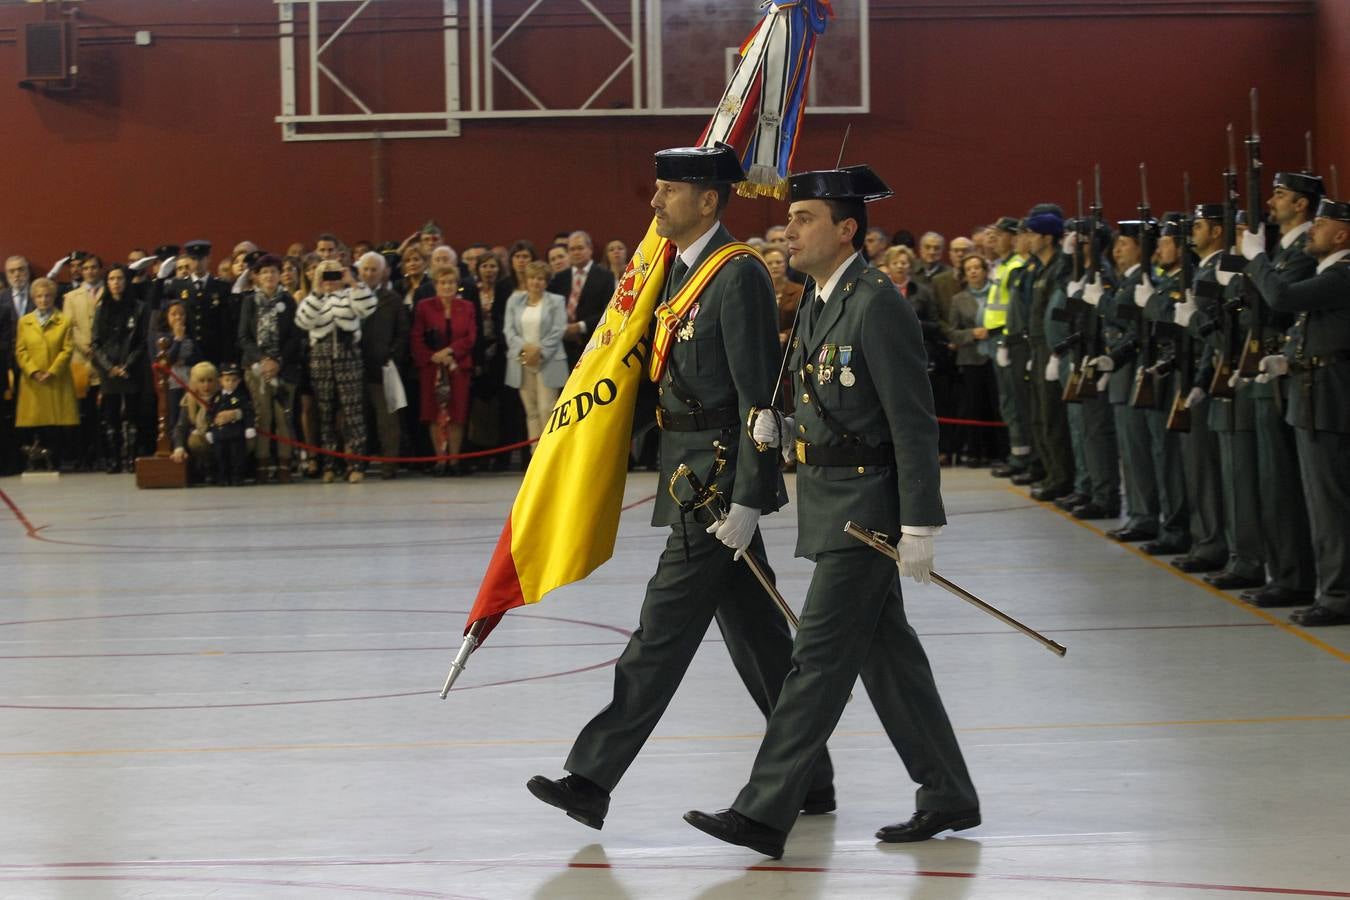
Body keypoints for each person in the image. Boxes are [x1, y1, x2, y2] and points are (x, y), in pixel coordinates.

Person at [527, 144, 833, 835]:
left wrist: (752, 498)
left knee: (659, 634)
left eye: (669, 192)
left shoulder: (738, 276)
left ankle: (591, 778)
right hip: (687, 473)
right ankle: (811, 776)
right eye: (658, 189)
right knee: (761, 644)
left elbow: (761, 399)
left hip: (720, 486)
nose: (656, 202)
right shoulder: (674, 274)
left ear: (708, 201)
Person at [687, 165, 976, 859]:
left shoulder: (877, 303)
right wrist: (785, 429)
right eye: (793, 217)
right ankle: (947, 792)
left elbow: (913, 421)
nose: (790, 228)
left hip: (868, 513)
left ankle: (763, 812)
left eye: (807, 216)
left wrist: (919, 525)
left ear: (847, 229)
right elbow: (833, 403)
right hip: (832, 505)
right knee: (888, 659)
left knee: (814, 661)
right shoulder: (819, 299)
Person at [1242, 194, 1348, 625]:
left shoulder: (1343, 273)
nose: (1313, 231)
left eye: (1321, 226)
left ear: (1342, 234)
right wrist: (1289, 358)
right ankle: (1329, 588)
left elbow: (1283, 297)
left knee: (1331, 507)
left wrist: (1256, 259)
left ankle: (1339, 596)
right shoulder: (1331, 273)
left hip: (1331, 402)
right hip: (1312, 397)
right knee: (1320, 505)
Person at [295, 259, 378, 483]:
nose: (330, 280)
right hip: (320, 356)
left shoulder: (350, 295)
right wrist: (317, 292)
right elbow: (303, 321)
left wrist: (353, 283)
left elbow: (368, 307)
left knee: (353, 412)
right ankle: (329, 464)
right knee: (325, 412)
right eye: (325, 275)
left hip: (348, 354)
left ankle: (356, 463)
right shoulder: (312, 298)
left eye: (334, 274)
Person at [237, 253, 302, 483]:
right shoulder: (249, 302)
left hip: (284, 368)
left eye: (274, 272)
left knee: (282, 417)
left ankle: (284, 465)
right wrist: (262, 360)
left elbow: (295, 336)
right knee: (262, 416)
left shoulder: (289, 300)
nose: (269, 276)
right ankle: (262, 464)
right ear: (257, 277)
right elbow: (244, 337)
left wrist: (278, 361)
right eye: (264, 272)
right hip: (256, 368)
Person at [411, 265, 477, 476]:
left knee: (457, 413)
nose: (447, 286)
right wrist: (433, 356)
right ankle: (440, 460)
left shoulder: (467, 307)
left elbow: (470, 337)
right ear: (435, 285)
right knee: (433, 413)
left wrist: (450, 352)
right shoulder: (424, 306)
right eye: (442, 282)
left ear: (457, 285)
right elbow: (416, 336)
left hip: (458, 366)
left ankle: (455, 460)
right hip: (431, 367)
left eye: (451, 282)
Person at [14, 277, 79, 469]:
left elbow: (67, 349)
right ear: (33, 298)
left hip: (56, 379)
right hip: (32, 381)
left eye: (47, 296)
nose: (43, 300)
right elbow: (20, 350)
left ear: (54, 297)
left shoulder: (64, 321)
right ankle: (34, 461)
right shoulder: (24, 322)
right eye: (39, 296)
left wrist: (51, 372)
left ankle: (55, 460)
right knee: (35, 422)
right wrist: (33, 371)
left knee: (55, 424)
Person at [944, 254, 1001, 465]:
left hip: (995, 355)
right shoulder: (958, 300)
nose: (974, 271)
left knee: (996, 405)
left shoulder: (997, 294)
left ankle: (998, 452)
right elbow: (952, 332)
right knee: (974, 407)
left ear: (986, 270)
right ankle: (975, 452)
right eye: (970, 269)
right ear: (965, 274)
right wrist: (971, 334)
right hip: (970, 359)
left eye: (978, 267)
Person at [503, 260, 567, 445]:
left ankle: (549, 456)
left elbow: (558, 330)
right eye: (532, 278)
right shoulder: (514, 301)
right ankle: (534, 456)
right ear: (526, 279)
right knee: (531, 411)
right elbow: (509, 330)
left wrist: (539, 351)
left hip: (548, 360)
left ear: (546, 281)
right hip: (521, 361)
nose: (535, 282)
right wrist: (525, 349)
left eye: (540, 278)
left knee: (547, 409)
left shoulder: (556, 301)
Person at [357, 251, 409, 479]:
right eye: (365, 269)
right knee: (355, 419)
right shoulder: (350, 296)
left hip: (384, 369)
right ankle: (357, 463)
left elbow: (402, 332)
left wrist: (392, 357)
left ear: (384, 272)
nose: (369, 274)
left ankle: (390, 463)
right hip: (354, 369)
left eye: (374, 269)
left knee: (388, 420)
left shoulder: (392, 299)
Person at [90, 265, 147, 473]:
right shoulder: (101, 307)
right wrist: (109, 367)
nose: (116, 282)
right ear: (107, 282)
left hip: (131, 369)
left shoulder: (139, 308)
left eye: (120, 278)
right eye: (112, 279)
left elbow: (141, 342)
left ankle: (132, 458)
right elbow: (95, 343)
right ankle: (114, 459)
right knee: (110, 417)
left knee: (133, 416)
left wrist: (127, 365)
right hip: (109, 371)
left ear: (126, 281)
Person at [466, 251, 520, 470]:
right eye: (485, 266)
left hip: (502, 353)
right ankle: (479, 454)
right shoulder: (470, 289)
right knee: (479, 407)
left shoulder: (506, 289)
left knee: (505, 406)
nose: (489, 270)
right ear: (478, 269)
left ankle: (503, 455)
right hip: (477, 352)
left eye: (493, 266)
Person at [60, 254, 104, 469]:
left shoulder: (109, 291)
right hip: (80, 360)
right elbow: (69, 326)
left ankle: (100, 455)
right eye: (86, 268)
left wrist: (99, 349)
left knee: (101, 412)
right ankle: (81, 457)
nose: (90, 271)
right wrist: (85, 346)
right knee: (81, 412)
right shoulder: (71, 296)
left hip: (104, 359)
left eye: (94, 267)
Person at [548, 230, 616, 369]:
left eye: (580, 248)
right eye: (572, 249)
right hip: (561, 346)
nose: (576, 252)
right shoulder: (560, 278)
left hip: (591, 344)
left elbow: (608, 311)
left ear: (590, 249)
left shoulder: (605, 276)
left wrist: (580, 327)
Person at [206, 362, 255, 486]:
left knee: (236, 457)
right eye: (227, 380)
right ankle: (223, 477)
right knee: (220, 456)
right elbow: (210, 413)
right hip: (219, 433)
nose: (230, 383)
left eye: (234, 380)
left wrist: (249, 427)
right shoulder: (216, 398)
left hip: (235, 433)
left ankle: (237, 477)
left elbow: (248, 412)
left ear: (238, 381)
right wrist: (209, 429)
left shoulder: (241, 396)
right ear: (221, 381)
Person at [170, 360, 219, 481]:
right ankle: (206, 469)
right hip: (200, 441)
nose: (206, 385)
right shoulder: (189, 399)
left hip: (221, 436)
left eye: (210, 380)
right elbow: (180, 427)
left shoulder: (222, 396)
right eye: (201, 381)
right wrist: (179, 447)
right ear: (194, 382)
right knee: (194, 441)